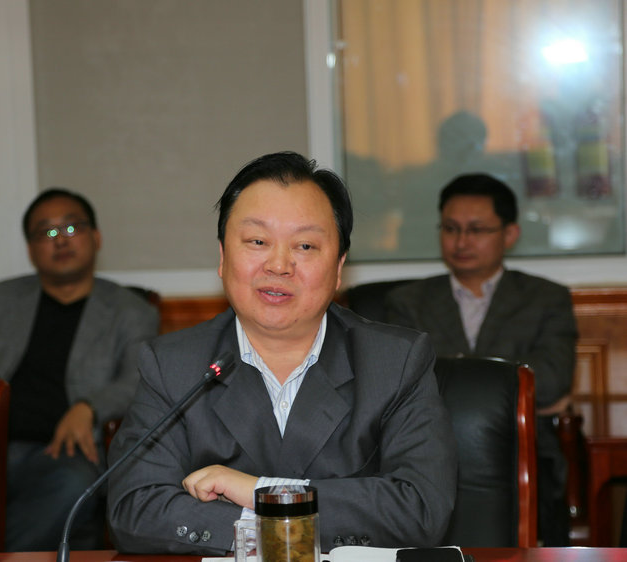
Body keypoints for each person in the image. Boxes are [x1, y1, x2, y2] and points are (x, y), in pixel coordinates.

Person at [106, 151, 457, 555]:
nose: (278, 265)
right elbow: (134, 509)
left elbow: (420, 509)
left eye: (305, 245)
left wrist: (260, 492)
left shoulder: (395, 361)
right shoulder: (173, 365)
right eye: (257, 241)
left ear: (339, 267)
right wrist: (271, 523)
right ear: (222, 257)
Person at [0, 187, 159, 551]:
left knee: (73, 483)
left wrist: (90, 407)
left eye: (72, 228)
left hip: (62, 453)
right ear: (30, 249)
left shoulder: (131, 311)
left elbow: (140, 378)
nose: (60, 240)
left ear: (96, 238)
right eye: (46, 232)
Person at [385, 173, 578, 546]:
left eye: (476, 230)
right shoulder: (407, 302)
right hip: (425, 448)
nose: (461, 242)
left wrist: (453, 366)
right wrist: (512, 375)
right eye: (451, 229)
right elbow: (400, 383)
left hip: (521, 450)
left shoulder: (545, 298)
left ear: (510, 234)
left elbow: (553, 379)